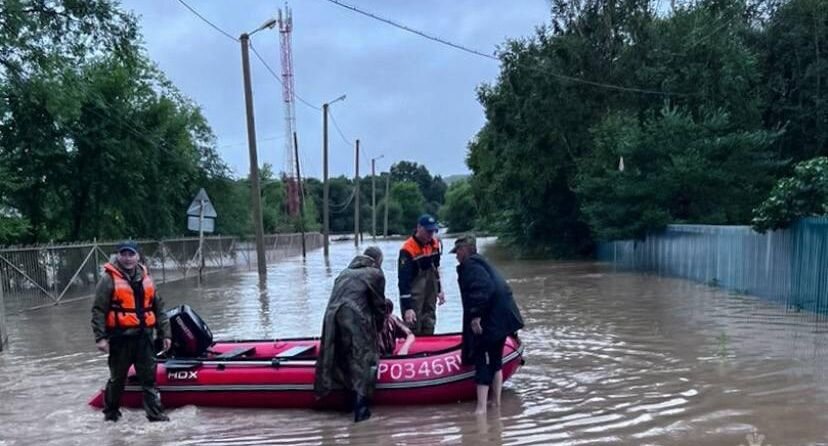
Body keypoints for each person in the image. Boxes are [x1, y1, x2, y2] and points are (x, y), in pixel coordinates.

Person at [91, 240, 172, 422]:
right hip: (121, 339)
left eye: (131, 254)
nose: (127, 258)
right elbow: (98, 310)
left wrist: (166, 333)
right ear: (118, 255)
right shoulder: (108, 279)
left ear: (138, 256)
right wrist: (100, 338)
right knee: (117, 380)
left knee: (149, 379)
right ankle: (111, 414)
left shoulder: (146, 278)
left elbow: (159, 308)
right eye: (123, 254)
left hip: (144, 337)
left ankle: (155, 415)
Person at [451, 235, 524, 415]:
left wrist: (475, 316)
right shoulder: (484, 263)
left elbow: (482, 290)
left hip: (488, 321)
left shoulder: (471, 266)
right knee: (496, 361)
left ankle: (481, 409)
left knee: (481, 360)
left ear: (464, 250)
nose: (456, 256)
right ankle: (496, 404)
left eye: (457, 252)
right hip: (502, 320)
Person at [314, 246, 387, 422]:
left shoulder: (344, 273)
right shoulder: (375, 274)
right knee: (365, 359)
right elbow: (379, 306)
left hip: (331, 317)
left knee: (341, 356)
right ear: (377, 261)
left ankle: (345, 403)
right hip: (354, 316)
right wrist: (378, 330)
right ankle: (361, 409)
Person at [398, 214, 444, 335]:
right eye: (428, 231)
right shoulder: (407, 249)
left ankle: (428, 344)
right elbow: (403, 281)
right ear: (419, 228)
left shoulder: (434, 244)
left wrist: (439, 290)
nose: (430, 234)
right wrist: (407, 307)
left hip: (430, 291)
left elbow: (436, 268)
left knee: (429, 320)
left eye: (432, 231)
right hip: (414, 295)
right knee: (413, 323)